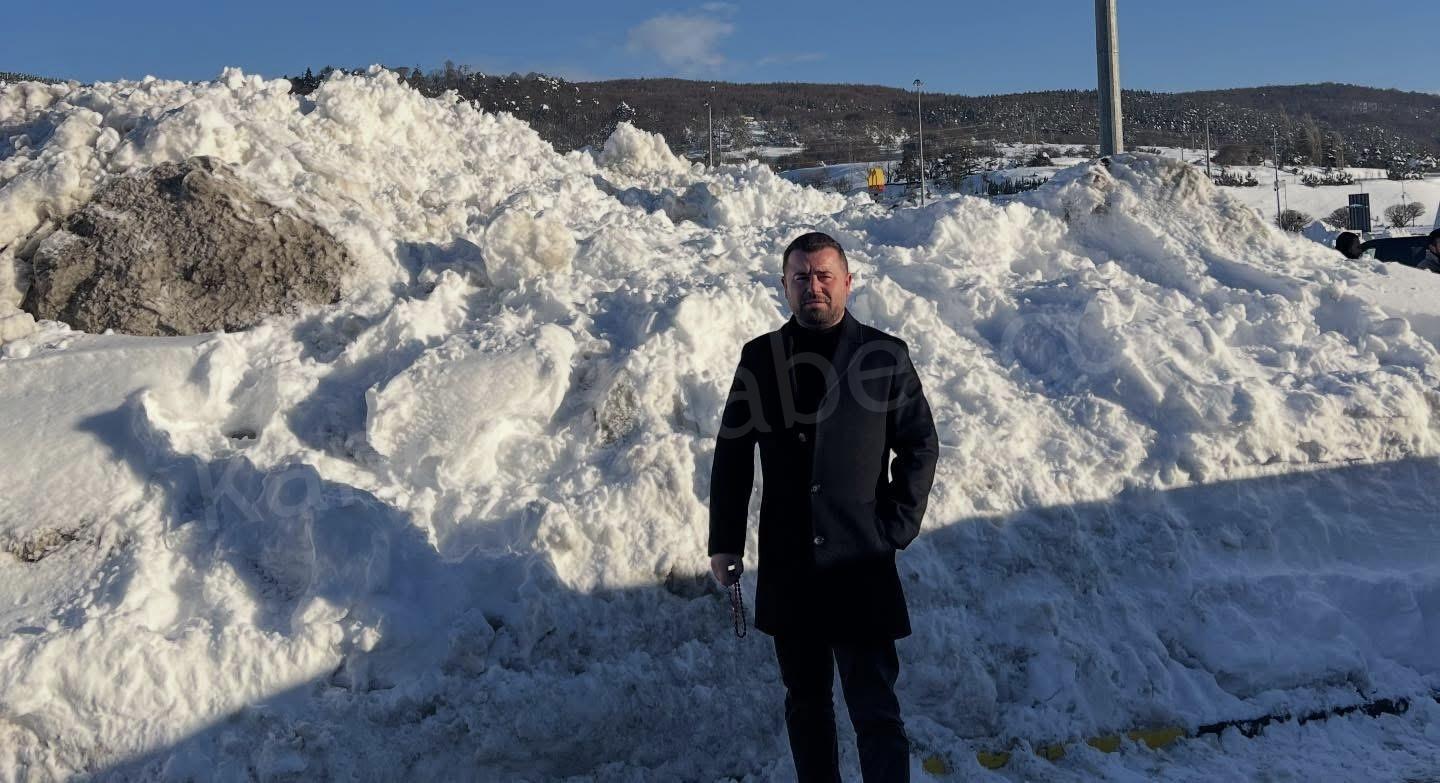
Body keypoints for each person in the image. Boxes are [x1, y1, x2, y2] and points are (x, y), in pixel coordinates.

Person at [707, 231, 939, 782]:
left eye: (823, 275)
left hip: (861, 562)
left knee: (875, 709)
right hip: (791, 565)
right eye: (801, 277)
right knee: (806, 705)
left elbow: (919, 444)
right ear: (785, 286)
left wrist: (895, 527)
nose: (813, 286)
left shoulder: (884, 355)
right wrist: (725, 542)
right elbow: (733, 452)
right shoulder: (760, 357)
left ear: (847, 282)